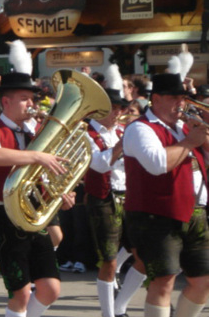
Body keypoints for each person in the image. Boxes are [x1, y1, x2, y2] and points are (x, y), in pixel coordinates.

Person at [0, 72, 74, 317]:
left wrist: (59, 195)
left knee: (50, 289)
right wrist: (38, 156)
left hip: (33, 214)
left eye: (32, 98)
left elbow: (43, 177)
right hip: (3, 216)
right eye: (24, 98)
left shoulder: (36, 134)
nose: (32, 104)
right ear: (5, 102)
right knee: (20, 293)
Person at [123, 71, 209, 317]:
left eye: (183, 98)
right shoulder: (140, 129)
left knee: (203, 280)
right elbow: (157, 164)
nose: (181, 104)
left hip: (195, 213)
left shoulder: (185, 128)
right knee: (164, 281)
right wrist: (189, 143)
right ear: (156, 98)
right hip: (155, 215)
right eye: (174, 98)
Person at [84, 86, 147, 317]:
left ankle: (120, 306)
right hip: (103, 199)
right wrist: (123, 144)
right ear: (99, 110)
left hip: (129, 195)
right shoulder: (85, 133)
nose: (119, 113)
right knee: (108, 261)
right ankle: (109, 313)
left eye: (121, 108)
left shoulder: (122, 130)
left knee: (145, 256)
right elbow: (99, 164)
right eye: (114, 108)